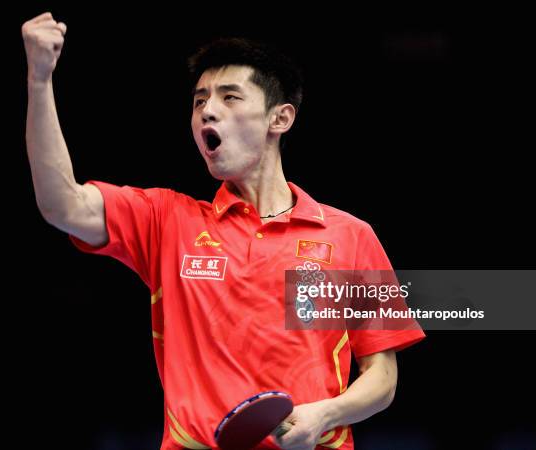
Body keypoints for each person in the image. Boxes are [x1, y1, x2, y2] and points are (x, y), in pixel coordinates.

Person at [22, 12, 425, 450]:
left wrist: (325, 412)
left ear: (280, 118)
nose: (207, 110)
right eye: (199, 101)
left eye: (230, 97)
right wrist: (40, 80)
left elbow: (382, 378)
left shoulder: (349, 236)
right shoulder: (167, 221)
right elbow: (60, 204)